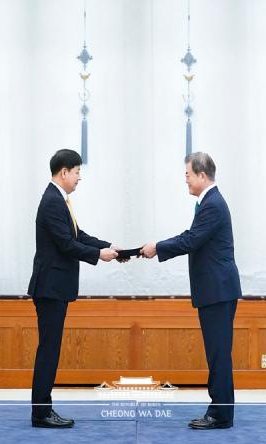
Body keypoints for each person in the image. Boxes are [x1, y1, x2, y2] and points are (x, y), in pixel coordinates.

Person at [141, 152, 241, 430]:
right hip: (215, 290)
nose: (185, 179)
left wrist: (157, 247)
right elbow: (193, 238)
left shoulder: (213, 204)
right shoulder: (208, 202)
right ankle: (220, 411)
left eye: (187, 174)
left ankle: (220, 414)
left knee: (218, 355)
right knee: (217, 354)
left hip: (218, 291)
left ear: (201, 175)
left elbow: (191, 239)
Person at [28, 149, 120, 428]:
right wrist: (98, 255)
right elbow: (67, 245)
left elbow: (78, 235)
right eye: (78, 172)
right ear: (64, 172)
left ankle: (42, 410)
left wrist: (108, 247)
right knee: (49, 350)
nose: (80, 177)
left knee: (50, 349)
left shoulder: (59, 200)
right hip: (50, 288)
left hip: (55, 288)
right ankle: (41, 412)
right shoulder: (52, 201)